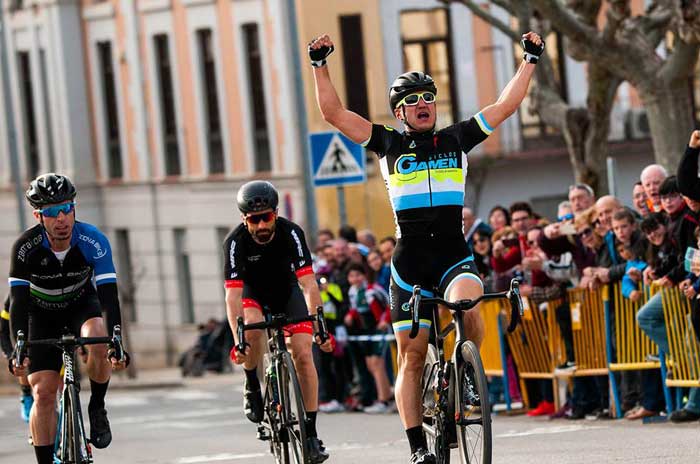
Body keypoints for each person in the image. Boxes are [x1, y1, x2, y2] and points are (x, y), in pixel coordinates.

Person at [309, 29, 545, 463]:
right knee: (413, 357)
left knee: (470, 305)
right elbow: (334, 114)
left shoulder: (457, 138)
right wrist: (320, 65)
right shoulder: (388, 143)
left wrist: (529, 60)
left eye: (429, 99)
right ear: (400, 112)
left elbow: (506, 105)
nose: (423, 105)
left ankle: (468, 373)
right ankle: (418, 445)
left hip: (453, 254)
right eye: (413, 101)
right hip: (410, 264)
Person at [8, 173, 128, 464]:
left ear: (74, 209)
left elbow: (109, 296)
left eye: (66, 209)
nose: (61, 218)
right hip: (40, 313)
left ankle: (97, 407)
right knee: (43, 393)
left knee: (97, 334)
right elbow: (18, 303)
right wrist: (19, 347)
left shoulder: (93, 240)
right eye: (52, 212)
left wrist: (116, 340)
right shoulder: (25, 248)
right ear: (38, 216)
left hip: (80, 305)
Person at [223, 180, 333, 463]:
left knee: (304, 354)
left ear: (275, 214)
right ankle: (251, 383)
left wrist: (319, 327)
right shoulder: (234, 242)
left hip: (287, 292)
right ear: (244, 219)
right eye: (254, 220)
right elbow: (232, 296)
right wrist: (239, 341)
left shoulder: (291, 232)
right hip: (253, 295)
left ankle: (310, 433)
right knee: (253, 328)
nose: (261, 225)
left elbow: (309, 284)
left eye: (266, 217)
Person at [344, 263, 393, 414]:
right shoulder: (352, 292)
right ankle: (387, 396)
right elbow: (355, 308)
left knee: (377, 364)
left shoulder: (374, 289)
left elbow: (390, 304)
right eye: (352, 276)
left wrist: (385, 321)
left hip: (380, 330)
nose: (355, 279)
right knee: (371, 364)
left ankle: (383, 400)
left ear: (364, 275)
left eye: (358, 275)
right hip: (366, 331)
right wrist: (350, 316)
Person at [1, 294, 34, 422]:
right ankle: (26, 394)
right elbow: (3, 331)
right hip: (26, 338)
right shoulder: (14, 296)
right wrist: (11, 355)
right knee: (21, 358)